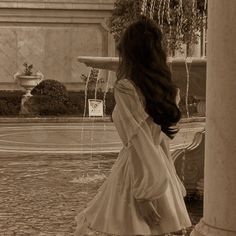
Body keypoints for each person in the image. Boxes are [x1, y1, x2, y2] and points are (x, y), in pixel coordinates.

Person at [74, 16, 192, 236]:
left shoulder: (127, 87)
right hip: (158, 169)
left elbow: (140, 142)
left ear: (131, 53)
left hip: (138, 172)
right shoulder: (170, 90)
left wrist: (144, 194)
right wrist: (166, 179)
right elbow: (158, 144)